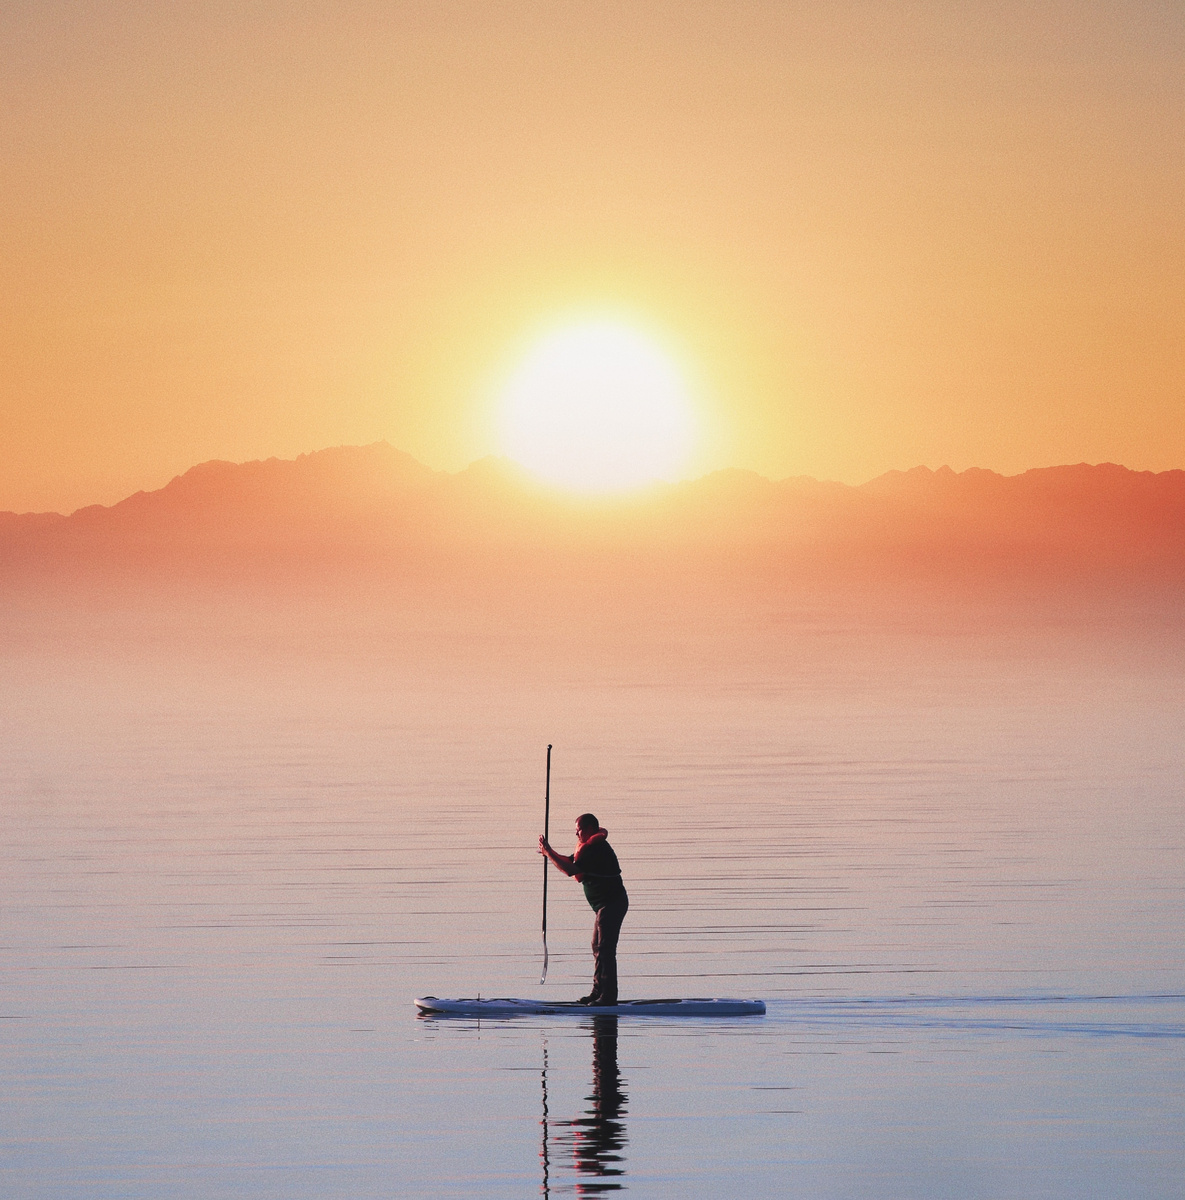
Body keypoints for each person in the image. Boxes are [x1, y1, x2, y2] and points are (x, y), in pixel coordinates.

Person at [539, 813, 629, 1006]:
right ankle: (598, 992)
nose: (576, 833)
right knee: (597, 947)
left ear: (589, 829)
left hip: (612, 903)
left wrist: (549, 853)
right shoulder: (588, 848)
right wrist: (549, 852)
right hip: (604, 906)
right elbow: (570, 861)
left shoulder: (596, 849)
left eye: (578, 829)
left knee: (605, 949)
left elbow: (571, 870)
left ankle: (608, 997)